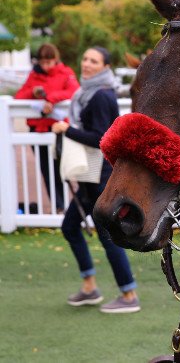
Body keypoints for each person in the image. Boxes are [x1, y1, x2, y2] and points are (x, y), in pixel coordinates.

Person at [51, 47, 140, 314]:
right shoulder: (88, 92)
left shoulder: (100, 95)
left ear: (105, 67)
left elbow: (100, 138)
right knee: (70, 227)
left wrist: (68, 130)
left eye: (94, 61)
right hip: (91, 174)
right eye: (85, 59)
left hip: (101, 176)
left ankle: (129, 295)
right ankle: (90, 287)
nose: (86, 64)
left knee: (106, 235)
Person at [14, 43, 79, 212]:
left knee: (62, 169)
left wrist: (51, 98)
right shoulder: (34, 75)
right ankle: (59, 206)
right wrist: (33, 92)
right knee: (47, 170)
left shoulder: (66, 73)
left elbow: (74, 92)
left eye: (48, 62)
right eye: (42, 62)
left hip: (57, 128)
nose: (45, 66)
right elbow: (19, 96)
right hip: (38, 129)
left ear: (55, 59)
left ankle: (70, 206)